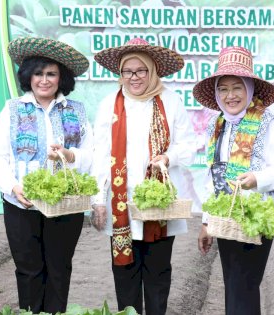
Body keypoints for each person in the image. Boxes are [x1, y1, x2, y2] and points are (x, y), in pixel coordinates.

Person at [0, 37, 93, 313]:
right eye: (38, 73)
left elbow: (91, 156)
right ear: (28, 76)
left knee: (59, 269)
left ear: (61, 78)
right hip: (21, 204)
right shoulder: (11, 110)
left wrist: (71, 156)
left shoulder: (77, 111)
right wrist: (12, 187)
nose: (44, 80)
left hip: (65, 206)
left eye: (51, 74)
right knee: (29, 270)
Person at [90, 38, 196, 315]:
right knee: (124, 269)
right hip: (120, 205)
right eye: (128, 71)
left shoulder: (170, 101)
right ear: (120, 74)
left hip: (159, 204)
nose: (134, 77)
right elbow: (100, 153)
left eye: (141, 71)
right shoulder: (109, 105)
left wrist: (168, 157)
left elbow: (189, 145)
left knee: (158, 271)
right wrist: (98, 200)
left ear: (152, 71)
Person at [195, 46, 274, 315]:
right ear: (216, 93)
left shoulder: (266, 123)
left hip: (256, 220)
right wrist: (206, 222)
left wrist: (257, 179)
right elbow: (212, 178)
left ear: (249, 89)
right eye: (223, 88)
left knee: (243, 287)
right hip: (227, 219)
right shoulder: (218, 125)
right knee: (234, 287)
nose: (230, 95)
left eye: (237, 87)